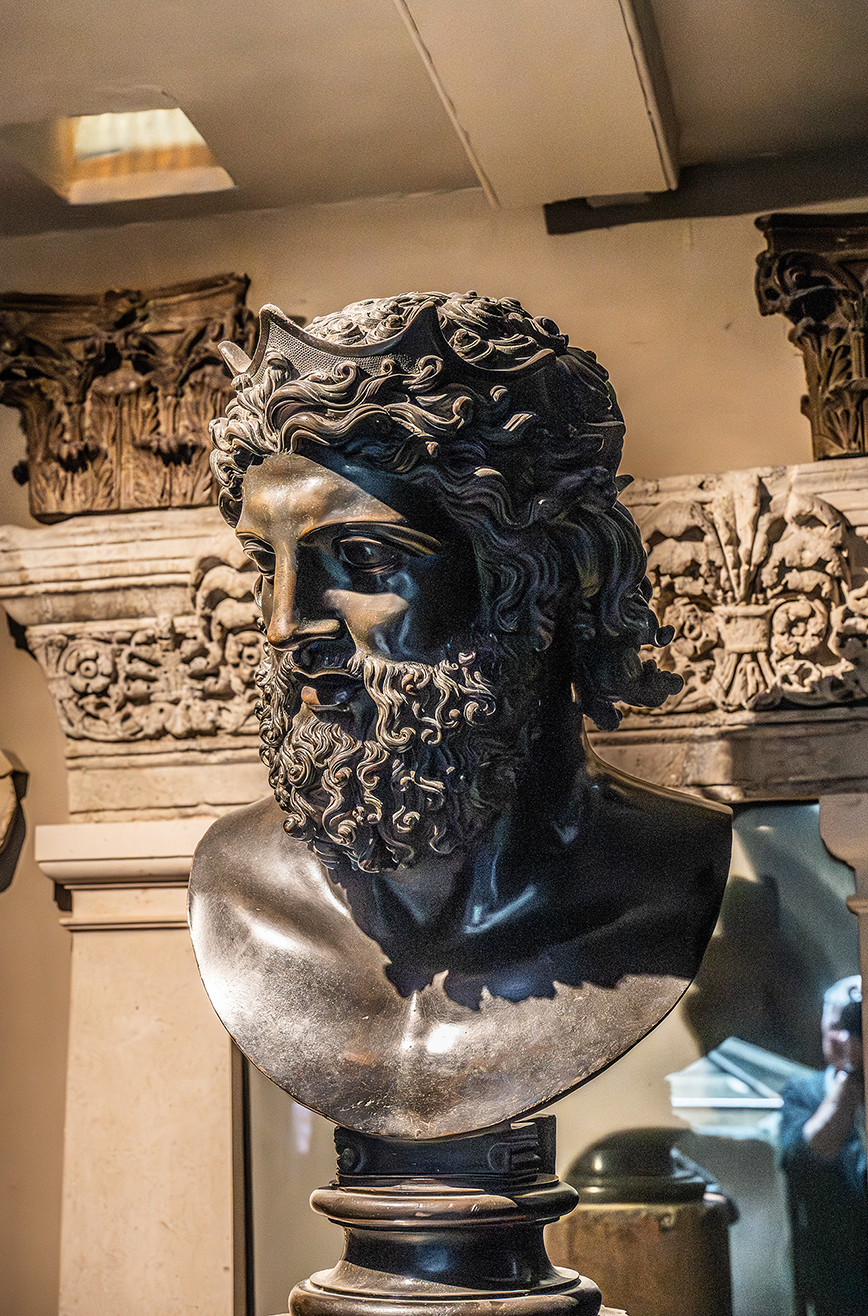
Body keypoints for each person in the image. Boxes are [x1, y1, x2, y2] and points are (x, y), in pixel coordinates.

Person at [189, 291, 731, 1137]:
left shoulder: (679, 876)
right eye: (267, 564)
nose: (286, 624)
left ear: (540, 574)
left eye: (364, 558)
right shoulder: (237, 883)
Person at [780, 976, 868, 1316]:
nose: (848, 1036)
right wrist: (852, 1074)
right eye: (839, 1025)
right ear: (822, 1029)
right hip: (837, 1275)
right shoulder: (802, 1093)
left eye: (858, 1023)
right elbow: (802, 1159)